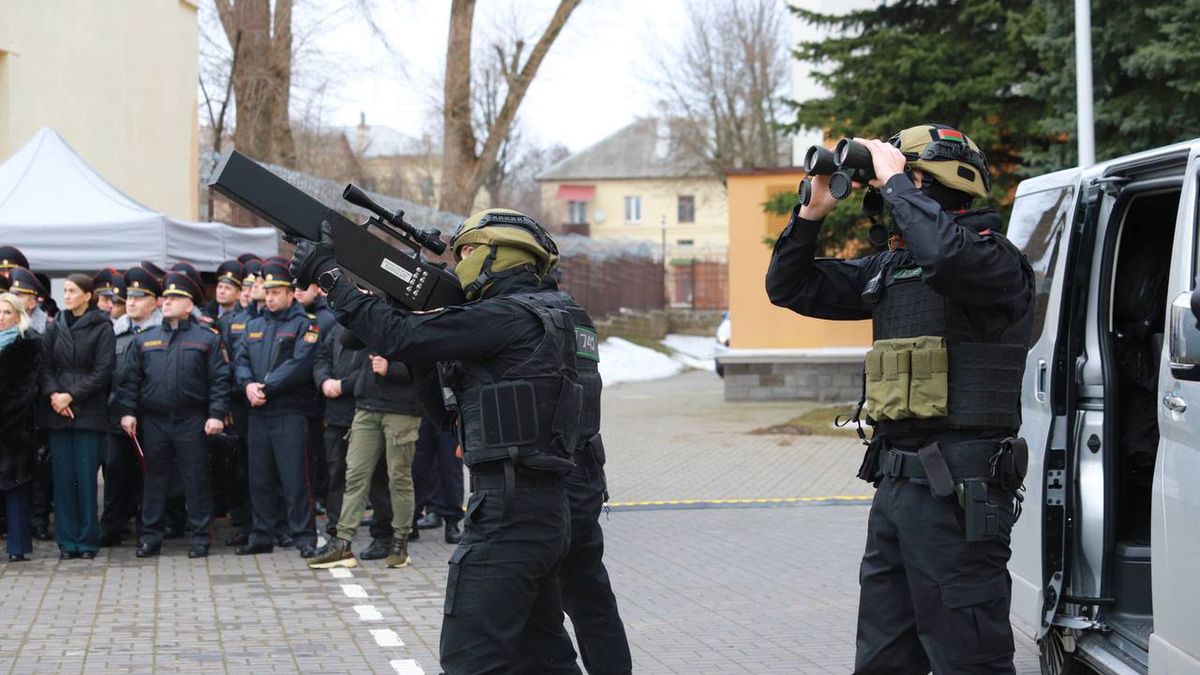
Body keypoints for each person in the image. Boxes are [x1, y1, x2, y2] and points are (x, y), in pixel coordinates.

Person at [765, 125, 1034, 674]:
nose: (884, 197)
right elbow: (789, 288)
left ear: (928, 182)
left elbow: (948, 258)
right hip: (895, 489)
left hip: (960, 493)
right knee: (883, 660)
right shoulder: (893, 269)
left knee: (969, 659)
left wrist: (894, 181)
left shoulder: (994, 261)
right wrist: (811, 213)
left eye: (900, 180)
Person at [292, 208, 584, 672]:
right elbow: (447, 416)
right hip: (540, 509)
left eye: (466, 251)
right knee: (544, 657)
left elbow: (401, 337)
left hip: (507, 515)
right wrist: (425, 353)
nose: (457, 262)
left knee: (469, 658)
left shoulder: (504, 316)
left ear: (499, 257)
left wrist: (330, 278)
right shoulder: (553, 312)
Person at [535, 274, 632, 674]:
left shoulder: (538, 319)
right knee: (592, 599)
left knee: (542, 600)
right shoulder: (575, 315)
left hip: (558, 478)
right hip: (587, 473)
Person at [117, 272, 230, 558]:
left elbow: (219, 380)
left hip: (192, 419)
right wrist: (128, 412)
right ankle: (151, 538)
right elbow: (131, 380)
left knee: (196, 479)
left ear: (189, 305)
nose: (166, 302)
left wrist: (216, 414)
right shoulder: (146, 339)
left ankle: (201, 537)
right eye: (164, 298)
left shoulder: (206, 338)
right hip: (155, 420)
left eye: (174, 298)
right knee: (154, 481)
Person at [306, 338, 423, 570]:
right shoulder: (372, 309)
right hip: (367, 404)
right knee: (355, 476)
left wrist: (393, 369)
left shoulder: (414, 309)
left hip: (401, 408)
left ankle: (399, 543)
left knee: (398, 478)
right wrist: (359, 307)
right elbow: (346, 338)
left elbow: (427, 362)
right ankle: (343, 544)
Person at [232, 261, 319, 558]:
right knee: (259, 477)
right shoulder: (253, 325)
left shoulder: (304, 325)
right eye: (267, 292)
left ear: (290, 293)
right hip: (257, 412)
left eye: (276, 292)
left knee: (295, 478)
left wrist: (265, 388)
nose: (269, 298)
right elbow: (240, 359)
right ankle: (261, 534)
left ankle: (304, 536)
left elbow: (299, 366)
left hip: (288, 411)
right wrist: (247, 385)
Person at [39, 273, 116, 560]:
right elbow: (44, 365)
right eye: (65, 290)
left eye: (73, 291)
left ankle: (87, 540)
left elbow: (103, 370)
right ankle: (66, 540)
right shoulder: (55, 326)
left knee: (84, 477)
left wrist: (71, 395)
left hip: (88, 410)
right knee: (62, 478)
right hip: (58, 410)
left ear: (88, 295)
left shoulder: (102, 327)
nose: (67, 295)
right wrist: (54, 396)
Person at [99, 269, 160, 547]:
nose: (132, 302)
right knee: (114, 473)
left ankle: (146, 530)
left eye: (140, 297)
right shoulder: (114, 332)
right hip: (115, 416)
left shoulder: (162, 332)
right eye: (130, 298)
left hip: (150, 417)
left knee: (147, 477)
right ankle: (111, 527)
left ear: (154, 301)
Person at [0, 292, 42, 562]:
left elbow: (26, 390)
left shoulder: (29, 343)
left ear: (18, 315)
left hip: (15, 428)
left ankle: (17, 546)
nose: (0, 318)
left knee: (16, 487)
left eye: (6, 313)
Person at [412, 418, 464, 543]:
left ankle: (452, 521)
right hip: (418, 409)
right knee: (416, 465)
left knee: (450, 466)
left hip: (447, 409)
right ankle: (410, 521)